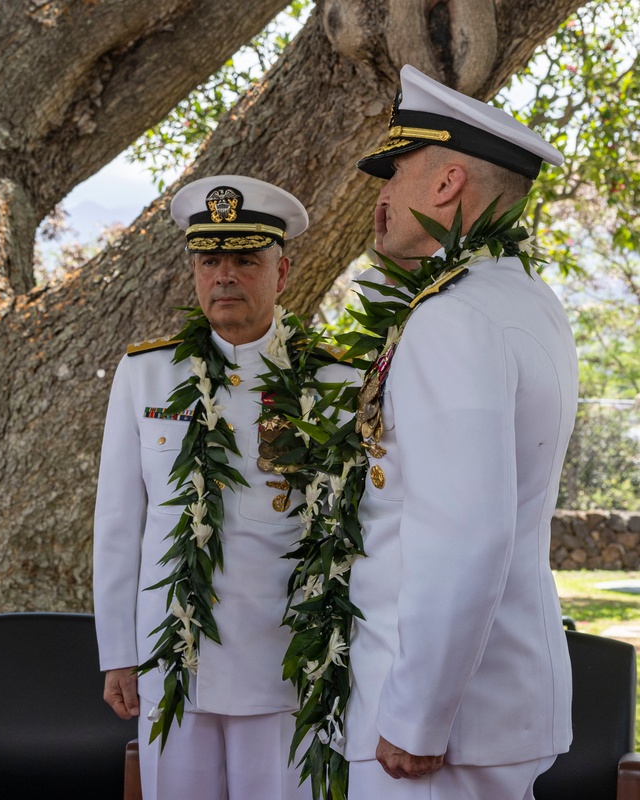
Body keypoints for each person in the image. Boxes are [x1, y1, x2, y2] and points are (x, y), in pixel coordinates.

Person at [343, 64, 577, 799]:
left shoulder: (452, 318)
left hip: (437, 728)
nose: (380, 193)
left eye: (396, 171)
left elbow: (465, 534)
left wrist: (417, 717)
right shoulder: (527, 301)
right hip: (494, 707)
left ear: (447, 184)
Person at [94, 174, 338, 799]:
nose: (224, 275)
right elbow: (120, 523)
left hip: (286, 661)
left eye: (246, 260)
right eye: (210, 260)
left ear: (281, 275)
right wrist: (119, 652)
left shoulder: (329, 381)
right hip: (175, 657)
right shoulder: (146, 374)